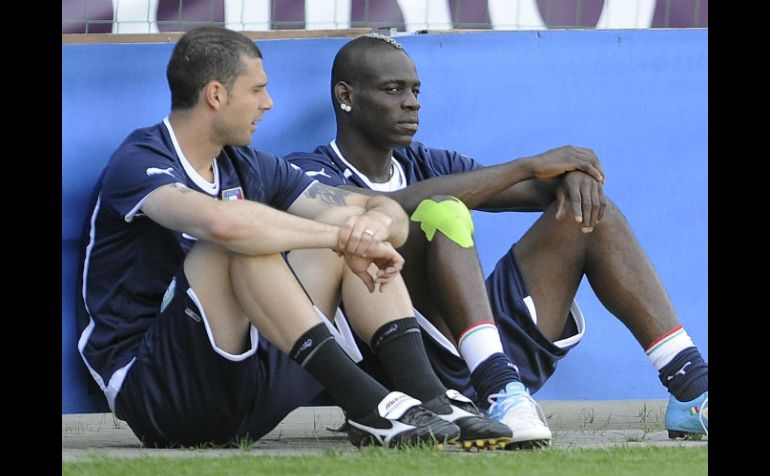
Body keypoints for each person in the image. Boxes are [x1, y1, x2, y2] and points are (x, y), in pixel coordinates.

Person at [76, 26, 514, 450]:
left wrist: (372, 229)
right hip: (158, 394)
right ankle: (368, 403)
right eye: (257, 90)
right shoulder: (140, 160)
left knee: (338, 236)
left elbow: (377, 208)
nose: (268, 104)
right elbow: (225, 225)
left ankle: (430, 398)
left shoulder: (252, 166)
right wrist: (340, 236)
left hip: (248, 394)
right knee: (240, 241)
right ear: (215, 95)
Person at [285, 34, 709, 446]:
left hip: (489, 354)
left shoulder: (431, 161)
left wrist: (572, 176)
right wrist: (529, 164)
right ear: (346, 96)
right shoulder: (305, 172)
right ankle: (500, 390)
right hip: (414, 381)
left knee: (589, 216)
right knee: (441, 210)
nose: (412, 102)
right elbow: (378, 207)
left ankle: (691, 388)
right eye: (393, 90)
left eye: (415, 90)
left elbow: (538, 190)